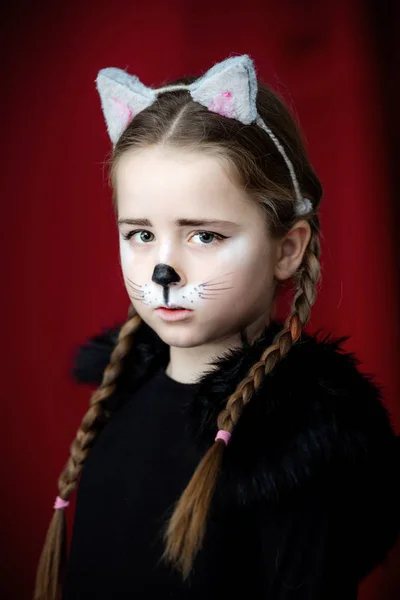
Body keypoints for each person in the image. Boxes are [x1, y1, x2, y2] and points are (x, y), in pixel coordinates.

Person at [34, 55, 400, 600]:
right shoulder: (116, 403)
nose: (164, 269)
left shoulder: (298, 452)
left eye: (204, 235)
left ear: (287, 248)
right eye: (139, 234)